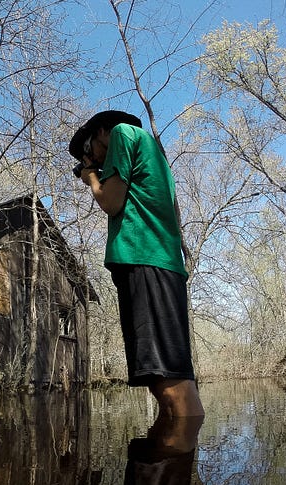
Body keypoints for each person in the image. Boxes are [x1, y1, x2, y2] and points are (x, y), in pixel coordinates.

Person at [69, 110, 204, 417]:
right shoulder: (148, 149)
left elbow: (111, 202)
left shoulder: (122, 133)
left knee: (168, 377)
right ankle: (174, 453)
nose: (94, 161)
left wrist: (90, 177)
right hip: (151, 263)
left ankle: (179, 446)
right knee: (160, 375)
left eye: (89, 150)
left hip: (145, 259)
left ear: (101, 131)